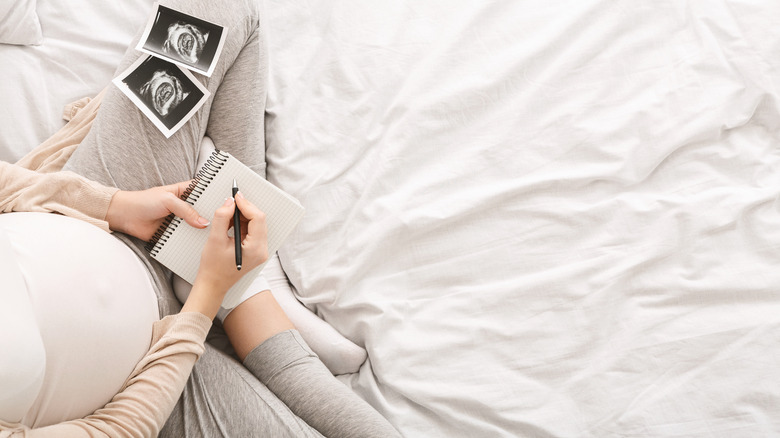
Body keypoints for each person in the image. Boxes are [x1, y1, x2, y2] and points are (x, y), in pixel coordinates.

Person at [0, 0, 400, 436]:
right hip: (143, 386)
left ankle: (248, 278)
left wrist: (112, 204)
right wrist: (207, 293)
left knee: (209, 11)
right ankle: (241, 290)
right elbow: (120, 429)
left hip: (86, 214)